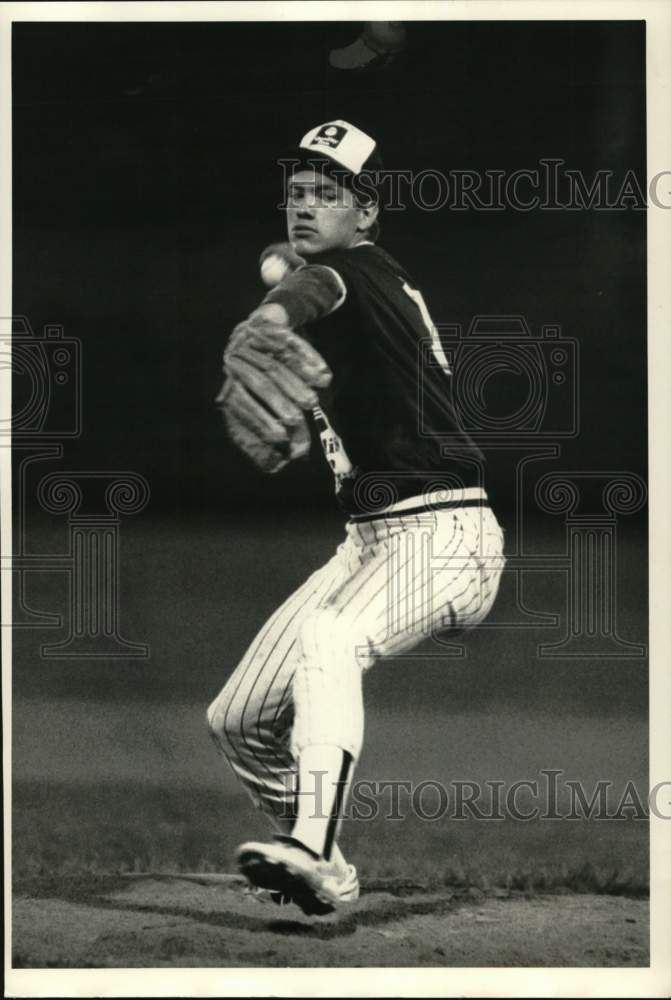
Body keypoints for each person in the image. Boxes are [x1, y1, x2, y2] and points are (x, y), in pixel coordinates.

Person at [207, 120, 505, 916]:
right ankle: (324, 865)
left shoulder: (359, 269)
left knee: (328, 638)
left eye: (327, 194)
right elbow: (297, 281)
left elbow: (313, 287)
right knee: (235, 720)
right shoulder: (336, 277)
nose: (305, 205)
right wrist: (280, 293)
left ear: (366, 214)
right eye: (296, 193)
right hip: (369, 544)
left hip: (447, 536)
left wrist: (268, 318)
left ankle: (306, 839)